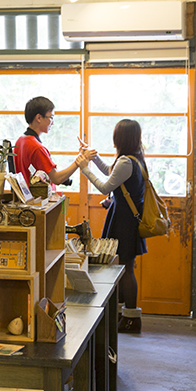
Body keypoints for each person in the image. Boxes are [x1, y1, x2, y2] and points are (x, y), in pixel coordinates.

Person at [75, 119, 148, 333]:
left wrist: (85, 169)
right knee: (124, 266)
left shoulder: (126, 161)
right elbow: (111, 172)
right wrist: (94, 156)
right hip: (125, 217)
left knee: (125, 267)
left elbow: (105, 186)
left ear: (119, 138)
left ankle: (131, 318)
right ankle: (124, 315)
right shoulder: (133, 158)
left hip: (125, 221)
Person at [12, 96, 84, 188]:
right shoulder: (36, 147)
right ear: (38, 118)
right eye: (51, 117)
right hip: (38, 199)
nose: (52, 122)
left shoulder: (21, 140)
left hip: (27, 197)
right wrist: (79, 161)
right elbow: (56, 178)